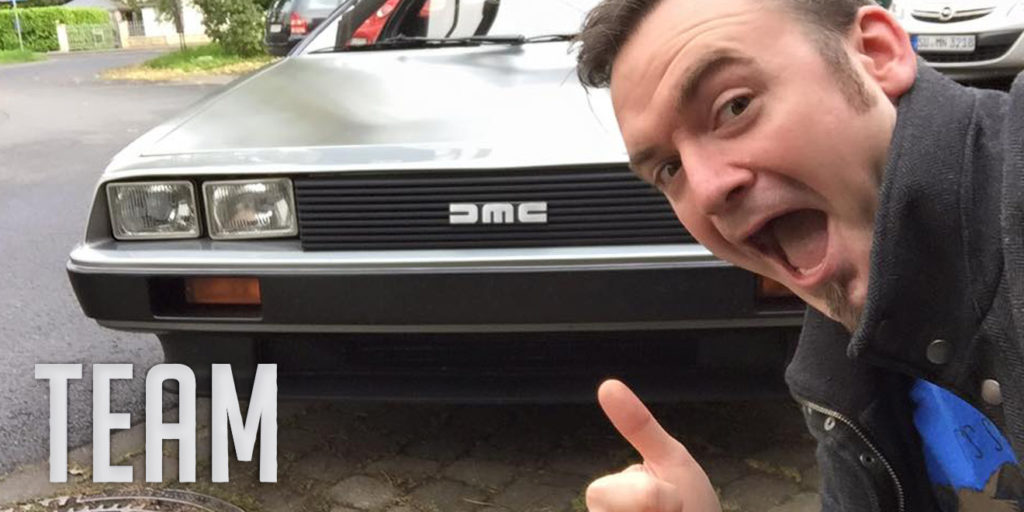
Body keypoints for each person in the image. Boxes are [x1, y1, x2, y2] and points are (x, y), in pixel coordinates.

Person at [572, 0, 1024, 510]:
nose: (706, 190)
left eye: (735, 107)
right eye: (669, 170)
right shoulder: (845, 362)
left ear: (877, 53)